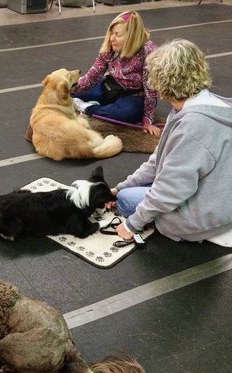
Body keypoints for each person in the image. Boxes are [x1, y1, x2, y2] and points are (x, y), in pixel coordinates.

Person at [112, 39, 232, 247]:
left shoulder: (193, 126)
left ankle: (208, 231)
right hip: (218, 194)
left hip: (207, 214)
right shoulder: (206, 103)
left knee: (125, 200)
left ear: (162, 83)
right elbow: (158, 161)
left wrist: (132, 225)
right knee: (131, 189)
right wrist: (119, 186)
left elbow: (171, 189)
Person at [71, 11, 161, 136]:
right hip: (111, 87)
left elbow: (151, 89)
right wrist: (72, 88)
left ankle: (87, 108)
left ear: (132, 35)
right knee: (74, 93)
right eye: (111, 33)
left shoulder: (148, 52)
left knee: (124, 113)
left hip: (134, 96)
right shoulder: (110, 47)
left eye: (117, 35)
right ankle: (98, 105)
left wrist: (148, 120)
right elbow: (93, 75)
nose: (112, 38)